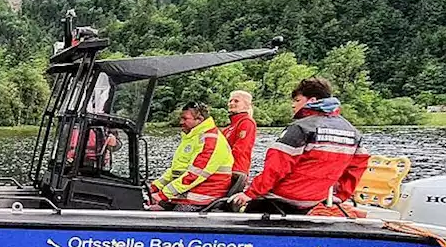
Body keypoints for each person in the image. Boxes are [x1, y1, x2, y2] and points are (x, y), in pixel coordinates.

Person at [230, 77, 368, 215]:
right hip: (312, 201)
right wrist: (340, 195)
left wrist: (250, 193)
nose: (292, 105)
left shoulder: (301, 128)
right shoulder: (354, 132)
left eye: (297, 100)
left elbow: (276, 167)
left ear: (312, 101)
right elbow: (356, 168)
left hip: (279, 199)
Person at [148, 102, 234, 211]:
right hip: (187, 193)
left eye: (185, 119)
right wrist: (155, 187)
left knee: (170, 219)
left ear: (200, 119)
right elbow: (177, 170)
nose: (181, 122)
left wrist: (163, 194)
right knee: (150, 209)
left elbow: (195, 175)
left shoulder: (210, 140)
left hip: (202, 197)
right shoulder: (193, 137)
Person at [222, 90, 257, 189]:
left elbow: (239, 149)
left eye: (236, 101)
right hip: (225, 171)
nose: (232, 103)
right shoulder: (228, 128)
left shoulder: (247, 122)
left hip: (236, 171)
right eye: (230, 101)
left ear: (246, 105)